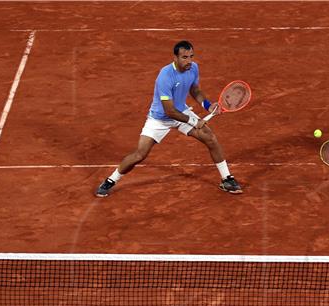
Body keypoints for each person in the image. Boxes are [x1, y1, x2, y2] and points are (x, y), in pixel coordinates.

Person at [95, 40, 242, 197]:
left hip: (181, 111)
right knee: (140, 154)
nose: (189, 61)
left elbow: (195, 89)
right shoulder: (165, 77)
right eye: (185, 57)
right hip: (160, 118)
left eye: (191, 56)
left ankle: (227, 179)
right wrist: (194, 121)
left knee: (210, 138)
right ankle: (111, 179)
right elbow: (169, 111)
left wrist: (207, 105)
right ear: (175, 58)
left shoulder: (193, 68)